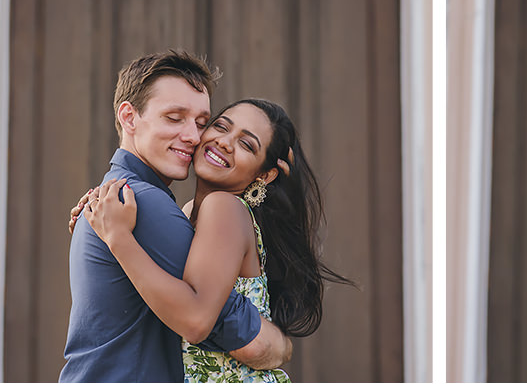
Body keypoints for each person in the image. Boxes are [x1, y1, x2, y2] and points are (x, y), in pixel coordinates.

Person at [60, 50, 292, 382]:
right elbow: (223, 325)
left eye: (201, 122)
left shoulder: (123, 198)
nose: (193, 136)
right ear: (129, 117)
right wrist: (281, 344)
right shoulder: (142, 203)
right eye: (174, 118)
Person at [82, 97, 350, 382]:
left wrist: (118, 239)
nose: (224, 142)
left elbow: (196, 321)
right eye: (221, 127)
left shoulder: (224, 207)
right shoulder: (189, 214)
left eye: (247, 144)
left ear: (264, 174)